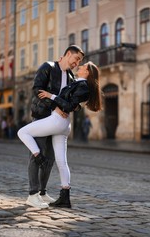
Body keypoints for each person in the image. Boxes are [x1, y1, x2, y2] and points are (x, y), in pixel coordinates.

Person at [18, 61, 102, 208]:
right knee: (62, 162)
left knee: (22, 132)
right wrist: (59, 100)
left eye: (83, 67)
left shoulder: (82, 87)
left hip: (57, 121)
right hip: (63, 125)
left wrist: (51, 96)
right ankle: (65, 197)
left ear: (87, 72)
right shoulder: (78, 83)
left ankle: (38, 156)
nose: (79, 66)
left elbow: (69, 105)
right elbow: (72, 104)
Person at [24, 45, 84, 209]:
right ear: (67, 54)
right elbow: (37, 89)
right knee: (37, 157)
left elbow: (73, 102)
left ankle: (42, 193)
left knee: (49, 160)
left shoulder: (71, 77)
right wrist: (55, 107)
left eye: (79, 61)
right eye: (76, 59)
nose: (77, 63)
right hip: (41, 117)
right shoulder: (48, 67)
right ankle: (32, 194)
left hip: (57, 123)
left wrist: (70, 108)